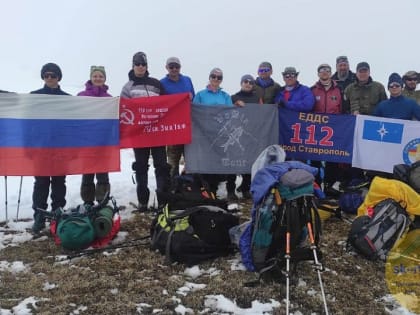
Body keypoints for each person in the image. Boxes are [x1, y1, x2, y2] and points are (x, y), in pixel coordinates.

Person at [121, 51, 170, 212]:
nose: (140, 67)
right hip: (139, 134)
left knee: (162, 166)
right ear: (133, 66)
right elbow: (124, 109)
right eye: (137, 64)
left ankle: (163, 200)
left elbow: (168, 103)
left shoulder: (156, 84)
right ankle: (143, 202)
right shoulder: (128, 87)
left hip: (157, 133)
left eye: (143, 64)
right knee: (141, 167)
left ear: (147, 66)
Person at [30, 62, 70, 233]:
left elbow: (72, 126)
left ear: (58, 77)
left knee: (59, 181)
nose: (50, 78)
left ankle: (58, 212)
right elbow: (27, 123)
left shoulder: (68, 99)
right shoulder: (34, 97)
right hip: (40, 148)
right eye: (46, 75)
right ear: (43, 77)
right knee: (41, 182)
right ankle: (39, 215)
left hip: (61, 147)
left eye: (53, 75)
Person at [193, 68, 238, 201]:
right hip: (205, 134)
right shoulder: (201, 95)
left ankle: (230, 191)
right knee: (208, 163)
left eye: (219, 77)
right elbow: (195, 112)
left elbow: (230, 113)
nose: (216, 79)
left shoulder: (225, 96)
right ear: (209, 77)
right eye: (213, 76)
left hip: (221, 134)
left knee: (227, 162)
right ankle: (210, 190)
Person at [78, 66, 112, 205]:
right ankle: (88, 202)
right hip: (86, 142)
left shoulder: (109, 99)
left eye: (101, 76)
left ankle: (102, 201)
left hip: (104, 142)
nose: (98, 78)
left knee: (103, 173)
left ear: (104, 79)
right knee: (87, 173)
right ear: (91, 78)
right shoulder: (81, 96)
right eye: (95, 76)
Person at [160, 57, 195, 181]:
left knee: (190, 159)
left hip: (187, 126)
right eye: (171, 67)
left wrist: (190, 97)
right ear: (167, 68)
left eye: (177, 66)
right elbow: (159, 104)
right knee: (172, 162)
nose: (174, 69)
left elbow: (194, 100)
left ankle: (189, 187)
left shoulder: (187, 80)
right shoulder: (162, 83)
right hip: (172, 129)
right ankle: (172, 188)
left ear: (180, 67)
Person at [310, 64, 343, 191]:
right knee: (315, 158)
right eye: (322, 71)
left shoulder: (339, 89)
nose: (325, 73)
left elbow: (342, 109)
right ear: (318, 74)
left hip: (334, 128)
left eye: (327, 71)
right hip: (316, 129)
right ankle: (316, 186)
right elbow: (308, 109)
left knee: (332, 158)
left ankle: (330, 186)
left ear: (331, 73)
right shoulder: (312, 90)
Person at [231, 74, 260, 199]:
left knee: (250, 162)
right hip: (236, 134)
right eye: (245, 81)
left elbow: (263, 112)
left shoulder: (257, 98)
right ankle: (230, 189)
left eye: (250, 82)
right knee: (232, 163)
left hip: (251, 133)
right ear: (241, 83)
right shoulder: (233, 97)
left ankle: (245, 188)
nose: (248, 84)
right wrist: (235, 103)